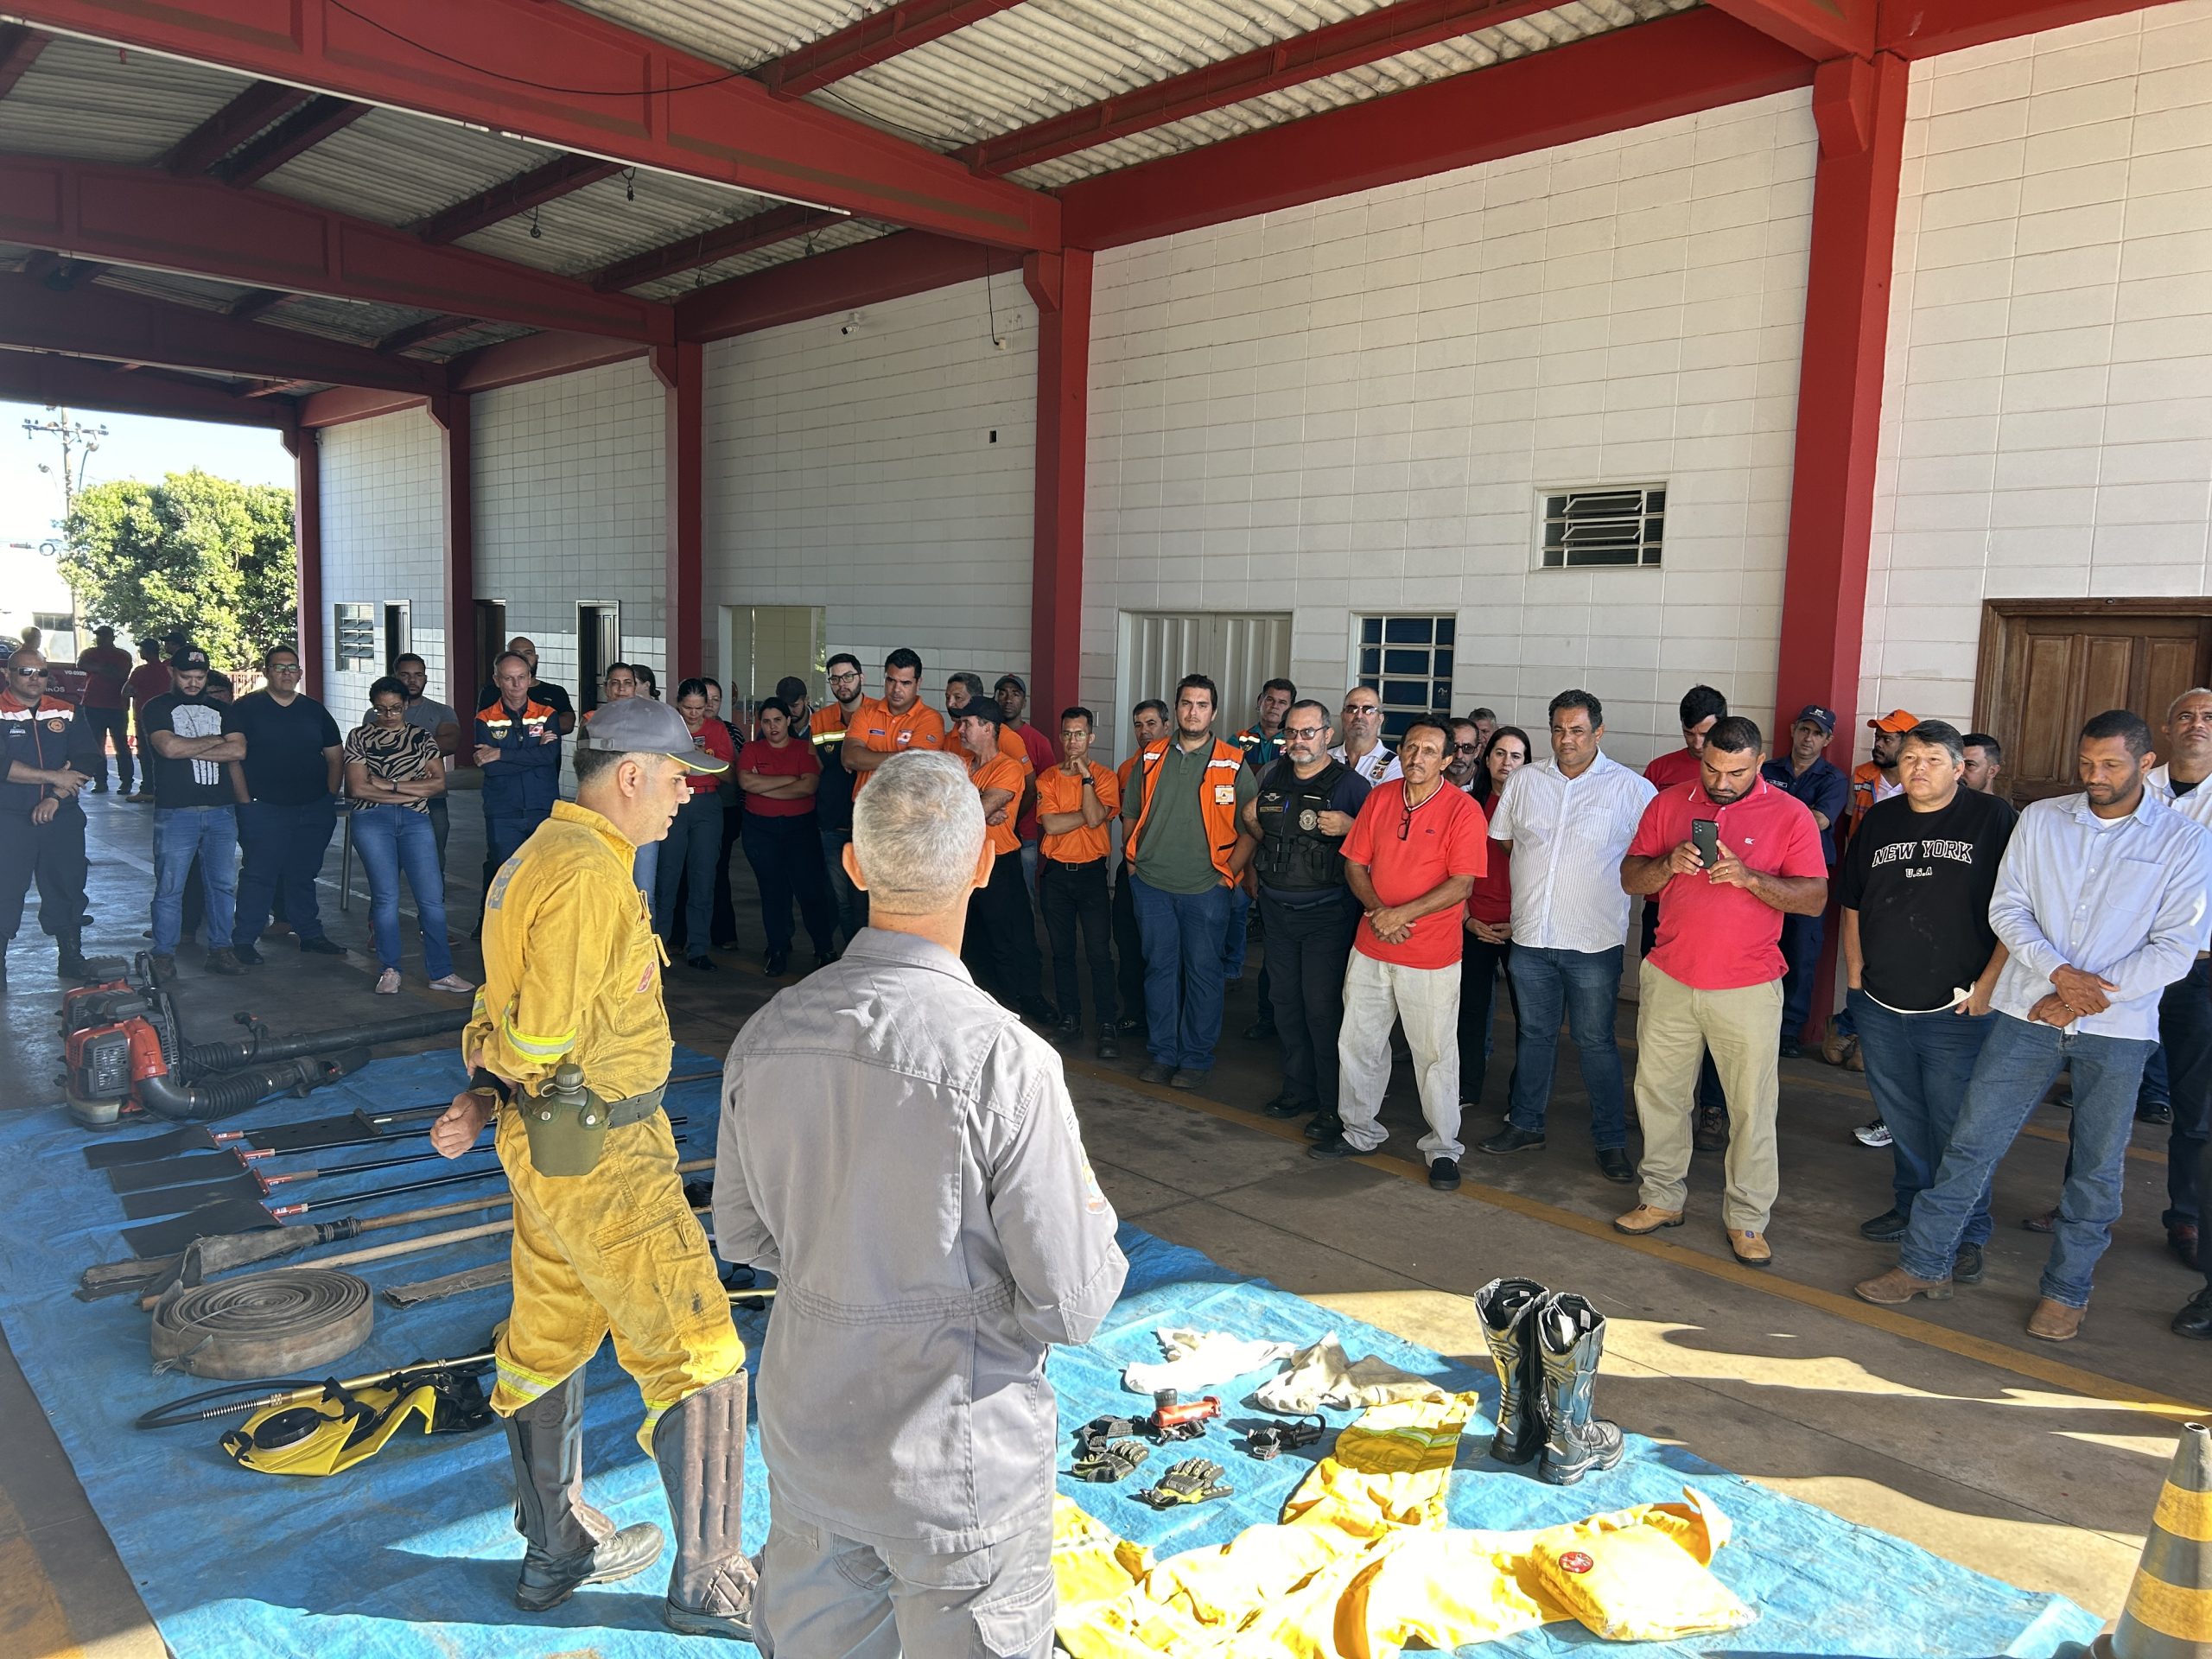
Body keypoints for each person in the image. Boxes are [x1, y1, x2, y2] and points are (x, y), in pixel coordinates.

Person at [714, 749, 1127, 1656]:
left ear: (853, 867)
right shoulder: (1005, 1062)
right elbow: (1072, 1302)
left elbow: (742, 1231)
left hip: (811, 1439)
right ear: (984, 864)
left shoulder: (769, 1032)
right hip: (956, 1475)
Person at [428, 696, 751, 1638]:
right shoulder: (584, 877)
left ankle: (554, 1543)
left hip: (549, 1151)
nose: (687, 796)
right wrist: (506, 1075)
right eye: (681, 778)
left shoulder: (543, 856)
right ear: (631, 775)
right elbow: (540, 1031)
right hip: (606, 1153)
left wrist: (489, 1094)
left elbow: (510, 1010)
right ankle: (714, 1580)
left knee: (547, 1335)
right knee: (699, 1349)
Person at [1856, 710, 2212, 1340]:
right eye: (2086, 764)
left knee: (2096, 1167)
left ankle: (2067, 1292)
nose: (2094, 777)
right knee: (1972, 1142)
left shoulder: (2183, 841)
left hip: (2118, 1028)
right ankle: (1925, 1264)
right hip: (2027, 1013)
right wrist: (2057, 977)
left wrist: (2077, 998)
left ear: (2146, 764)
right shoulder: (2045, 820)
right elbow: (2009, 908)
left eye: (2110, 766)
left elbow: (2176, 947)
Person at [1618, 715, 1827, 1264]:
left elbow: (1813, 899)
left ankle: (1748, 1219)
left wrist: (1751, 878)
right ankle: (1661, 1197)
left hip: (1749, 985)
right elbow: (1630, 878)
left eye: (1736, 772)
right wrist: (1666, 864)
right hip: (1670, 976)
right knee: (1660, 1094)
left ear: (1759, 763)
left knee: (1751, 1107)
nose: (1722, 781)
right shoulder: (1668, 803)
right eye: (1712, 768)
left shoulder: (1790, 814)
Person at [1839, 721, 2016, 1278]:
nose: (1919, 767)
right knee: (1903, 1114)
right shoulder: (1881, 821)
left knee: (1957, 1125)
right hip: (1883, 1002)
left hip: (1957, 1007)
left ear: (1960, 768)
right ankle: (1913, 1207)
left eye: (1934, 759)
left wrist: (1989, 984)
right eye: (1911, 757)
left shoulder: (1992, 820)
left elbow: (2019, 909)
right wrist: (1855, 975)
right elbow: (1852, 903)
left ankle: (1965, 1229)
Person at [1478, 690, 1654, 1183]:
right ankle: (1527, 1122)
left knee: (1596, 1041)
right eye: (1558, 729)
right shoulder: (1526, 782)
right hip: (1531, 938)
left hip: (1594, 943)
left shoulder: (1631, 790)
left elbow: (1647, 858)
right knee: (1533, 1037)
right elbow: (1509, 841)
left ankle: (1610, 1140)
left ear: (1598, 733)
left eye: (1577, 730)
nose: (1566, 739)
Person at [1310, 716, 1486, 1190]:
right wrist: (1379, 912)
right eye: (1411, 747)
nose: (1417, 757)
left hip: (1430, 955)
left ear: (1448, 760)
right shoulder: (1381, 798)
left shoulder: (1463, 811)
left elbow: (1461, 884)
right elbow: (1355, 862)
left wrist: (1399, 914)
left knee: (1434, 1055)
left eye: (1430, 750)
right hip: (1372, 945)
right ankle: (1360, 1130)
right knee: (1360, 1042)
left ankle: (1444, 1148)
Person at [1243, 698, 1371, 1137]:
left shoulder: (1351, 786)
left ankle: (1332, 1102)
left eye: (1307, 732)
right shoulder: (1272, 774)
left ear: (1327, 735)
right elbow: (1264, 831)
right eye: (1291, 733)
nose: (1298, 740)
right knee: (1285, 1003)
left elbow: (1376, 850)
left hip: (1327, 915)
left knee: (1322, 1009)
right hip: (1277, 913)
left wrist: (1351, 827)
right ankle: (1297, 1087)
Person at [1124, 674, 1256, 1087]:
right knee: (1159, 971)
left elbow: (1251, 826)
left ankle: (1196, 1059)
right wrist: (1133, 864)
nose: (1193, 711)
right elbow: (1131, 812)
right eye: (1186, 704)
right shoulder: (1150, 758)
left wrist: (1227, 875)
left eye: (1201, 705)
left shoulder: (1233, 762)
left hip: (1206, 889)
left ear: (1213, 712)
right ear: (1176, 708)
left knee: (1203, 974)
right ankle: (1164, 1054)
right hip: (1152, 885)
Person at [345, 677, 471, 996]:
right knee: (386, 898)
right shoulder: (359, 737)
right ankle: (390, 969)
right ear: (373, 706)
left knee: (431, 899)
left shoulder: (421, 737)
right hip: (373, 821)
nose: (388, 716)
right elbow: (357, 788)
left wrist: (387, 786)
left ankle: (441, 973)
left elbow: (439, 785)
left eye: (396, 709)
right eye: (382, 709)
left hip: (414, 821)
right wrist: (410, 791)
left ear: (406, 706)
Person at [2145, 689, 2212, 1268]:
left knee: (2195, 1107)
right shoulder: (2138, 788)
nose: (2197, 724)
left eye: (2209, 717)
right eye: (2186, 715)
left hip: (2200, 969)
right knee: (2103, 1096)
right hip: (2125, 968)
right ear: (2167, 729)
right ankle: (2077, 1207)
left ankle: (2186, 1216)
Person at [225, 646, 346, 964]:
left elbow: (335, 756)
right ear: (267, 671)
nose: (286, 673)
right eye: (279, 667)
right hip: (264, 808)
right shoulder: (246, 708)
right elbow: (234, 758)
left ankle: (310, 934)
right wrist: (244, 802)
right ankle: (244, 940)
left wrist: (328, 797)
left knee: (303, 874)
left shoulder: (314, 710)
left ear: (300, 674)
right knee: (258, 875)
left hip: (313, 807)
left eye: (292, 667)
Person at [141, 647, 245, 977]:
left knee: (223, 885)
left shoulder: (222, 709)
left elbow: (238, 749)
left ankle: (221, 948)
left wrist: (191, 747)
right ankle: (163, 954)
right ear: (173, 672)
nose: (193, 683)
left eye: (199, 678)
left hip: (220, 811)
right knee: (170, 885)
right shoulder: (157, 707)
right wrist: (216, 741)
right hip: (177, 811)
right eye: (186, 676)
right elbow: (168, 748)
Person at [0, 647, 99, 988]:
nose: (35, 679)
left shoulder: (68, 711)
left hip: (62, 816)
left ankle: (71, 957)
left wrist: (56, 797)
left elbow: (88, 759)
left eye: (41, 673)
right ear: (8, 674)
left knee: (68, 884)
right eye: (26, 672)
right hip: (9, 819)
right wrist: (55, 777)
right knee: (4, 890)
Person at [951, 700, 1053, 1022]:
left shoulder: (1007, 767)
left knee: (1006, 939)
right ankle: (982, 1005)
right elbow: (942, 809)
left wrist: (974, 808)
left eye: (967, 723)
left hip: (999, 864)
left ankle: (1009, 1009)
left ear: (989, 727)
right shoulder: (959, 765)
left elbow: (974, 812)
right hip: (965, 865)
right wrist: (978, 807)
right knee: (971, 939)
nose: (960, 730)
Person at [1761, 704, 1851, 1057]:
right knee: (1761, 949)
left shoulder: (1834, 779)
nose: (1807, 738)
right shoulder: (1767, 769)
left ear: (1827, 740)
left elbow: (1820, 821)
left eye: (1816, 733)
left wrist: (1773, 816)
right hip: (1765, 872)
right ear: (1793, 730)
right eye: (1803, 730)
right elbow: (1748, 810)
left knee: (1801, 954)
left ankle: (1789, 1031)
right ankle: (1761, 1023)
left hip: (1806, 877)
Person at [1036, 705, 1122, 1058]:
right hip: (1056, 876)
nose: (1073, 741)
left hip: (1091, 876)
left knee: (1100, 954)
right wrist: (1088, 816)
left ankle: (1106, 1024)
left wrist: (1086, 779)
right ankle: (1071, 1019)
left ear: (1091, 737)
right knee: (1063, 953)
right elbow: (1053, 826)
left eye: (1080, 734)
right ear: (1061, 736)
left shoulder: (1104, 776)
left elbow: (1099, 815)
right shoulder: (1047, 778)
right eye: (1068, 734)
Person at [738, 696, 838, 976]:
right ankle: (778, 949)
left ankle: (823, 949)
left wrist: (764, 786)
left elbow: (808, 787)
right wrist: (790, 779)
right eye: (767, 721)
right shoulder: (751, 748)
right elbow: (746, 782)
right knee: (773, 892)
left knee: (810, 892)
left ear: (788, 720)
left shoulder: (803, 749)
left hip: (799, 830)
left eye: (778, 720)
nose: (772, 727)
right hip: (761, 830)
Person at [1460, 726, 1529, 1112]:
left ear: (1527, 763)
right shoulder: (1469, 805)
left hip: (1521, 927)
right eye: (1500, 754)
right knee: (1470, 1011)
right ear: (1487, 759)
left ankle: (1521, 1100)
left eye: (1516, 756)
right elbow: (1452, 870)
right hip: (1476, 922)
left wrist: (1520, 923)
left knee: (1527, 1019)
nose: (1507, 762)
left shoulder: (1535, 808)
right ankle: (1467, 1088)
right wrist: (1467, 919)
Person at [655, 678, 736, 971]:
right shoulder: (668, 727)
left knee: (704, 877)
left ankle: (698, 947)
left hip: (707, 804)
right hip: (674, 803)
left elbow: (729, 774)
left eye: (700, 709)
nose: (693, 714)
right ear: (678, 705)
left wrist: (702, 761)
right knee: (668, 876)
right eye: (688, 708)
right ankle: (659, 945)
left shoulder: (716, 729)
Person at [1111, 698, 1170, 1044]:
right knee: (1128, 939)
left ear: (1166, 726)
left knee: (1161, 948)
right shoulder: (1126, 768)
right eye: (1138, 725)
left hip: (1167, 868)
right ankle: (1134, 1011)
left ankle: (1161, 1017)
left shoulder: (1180, 764)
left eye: (1151, 724)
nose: (1144, 731)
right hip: (1132, 865)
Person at [475, 651, 564, 876]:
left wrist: (501, 754)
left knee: (544, 874)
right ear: (497, 681)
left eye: (522, 677)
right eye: (508, 678)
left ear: (530, 678)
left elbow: (549, 757)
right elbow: (492, 768)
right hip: (503, 811)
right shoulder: (485, 718)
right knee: (504, 876)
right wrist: (535, 753)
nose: (516, 684)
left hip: (543, 808)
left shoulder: (547, 713)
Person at [809, 652, 868, 947]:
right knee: (842, 899)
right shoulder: (820, 720)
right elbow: (819, 767)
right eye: (835, 678)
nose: (842, 684)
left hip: (871, 826)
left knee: (871, 900)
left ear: (861, 677)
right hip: (832, 823)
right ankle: (852, 960)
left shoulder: (878, 714)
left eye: (848, 677)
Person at [842, 647, 945, 794]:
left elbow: (915, 764)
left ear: (918, 683)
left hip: (907, 809)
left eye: (905, 683)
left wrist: (867, 758)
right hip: (866, 807)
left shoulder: (930, 718)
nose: (896, 689)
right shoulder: (865, 712)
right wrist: (903, 756)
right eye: (891, 680)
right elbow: (850, 757)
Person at [393, 652, 460, 871]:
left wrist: (398, 750)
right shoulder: (377, 714)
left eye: (418, 675)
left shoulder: (442, 711)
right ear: (395, 677)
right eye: (405, 675)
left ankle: (433, 905)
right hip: (388, 799)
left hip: (432, 801)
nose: (412, 680)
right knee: (390, 865)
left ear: (425, 678)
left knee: (433, 862)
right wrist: (427, 747)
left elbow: (450, 743)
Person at [996, 673, 1054, 891]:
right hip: (988, 833)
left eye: (1015, 694)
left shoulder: (1038, 741)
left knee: (1024, 894)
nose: (1008, 699)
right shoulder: (985, 735)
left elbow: (1047, 789)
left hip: (1025, 834)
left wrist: (1014, 818)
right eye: (1002, 693)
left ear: (1024, 701)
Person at [702, 678, 747, 953]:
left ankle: (723, 931)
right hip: (688, 810)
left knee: (718, 871)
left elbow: (739, 773)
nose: (709, 704)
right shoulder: (680, 729)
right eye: (704, 697)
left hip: (726, 810)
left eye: (715, 699)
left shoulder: (730, 732)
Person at [476, 636, 576, 734]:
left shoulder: (555, 692)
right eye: (517, 654)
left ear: (536, 658)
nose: (524, 658)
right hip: (500, 749)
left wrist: (519, 726)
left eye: (528, 653)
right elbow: (484, 726)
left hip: (545, 750)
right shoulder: (491, 691)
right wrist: (543, 723)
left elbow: (567, 725)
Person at [75, 626, 133, 795]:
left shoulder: (122, 655)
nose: (100, 639)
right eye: (98, 636)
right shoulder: (89, 652)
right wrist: (104, 668)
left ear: (112, 637)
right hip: (93, 704)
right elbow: (81, 664)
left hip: (116, 705)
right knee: (96, 745)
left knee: (121, 744)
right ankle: (100, 781)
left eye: (103, 636)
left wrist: (97, 668)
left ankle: (126, 781)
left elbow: (121, 672)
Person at [124, 639, 171, 803]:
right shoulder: (168, 670)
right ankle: (164, 787)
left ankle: (148, 788)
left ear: (146, 651)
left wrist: (138, 691)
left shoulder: (141, 671)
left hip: (144, 716)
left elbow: (126, 692)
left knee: (145, 754)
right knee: (163, 752)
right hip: (165, 715)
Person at [1851, 709, 1916, 824]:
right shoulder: (1860, 776)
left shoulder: (1922, 781)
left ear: (1909, 745)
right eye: (1877, 737)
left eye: (1887, 740)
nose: (1878, 744)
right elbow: (1850, 823)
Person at [1330, 686, 1402, 785]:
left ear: (1380, 719)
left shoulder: (1395, 765)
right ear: (1342, 716)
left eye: (1368, 710)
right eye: (1352, 709)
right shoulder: (1326, 758)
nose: (1359, 716)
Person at [1235, 678, 1297, 773]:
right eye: (1270, 700)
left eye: (1282, 702)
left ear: (1291, 708)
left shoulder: (1296, 740)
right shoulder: (1239, 739)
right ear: (1260, 702)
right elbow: (1226, 773)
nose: (1275, 706)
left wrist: (1251, 770)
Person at [1445, 718, 1485, 795]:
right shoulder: (1429, 779)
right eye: (1453, 747)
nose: (1459, 755)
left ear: (1477, 751)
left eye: (1468, 748)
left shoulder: (1488, 784)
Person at [1962, 733, 2005, 797]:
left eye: (1969, 765)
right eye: (1955, 764)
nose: (1958, 771)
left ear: (1992, 772)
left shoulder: (1998, 806)